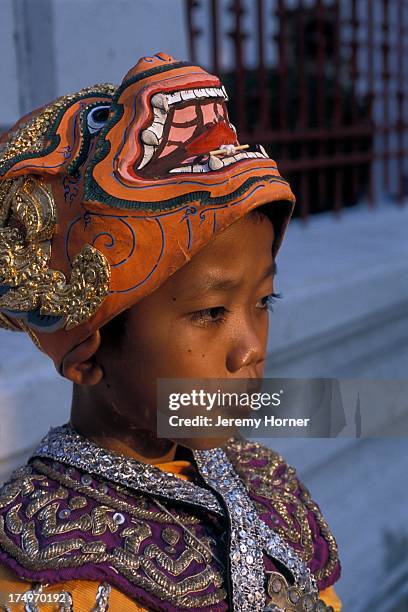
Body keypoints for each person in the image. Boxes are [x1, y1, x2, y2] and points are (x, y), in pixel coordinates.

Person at [0, 53, 341, 611]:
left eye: (263, 301)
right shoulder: (46, 571)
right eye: (211, 313)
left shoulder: (268, 484)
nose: (251, 346)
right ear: (87, 351)